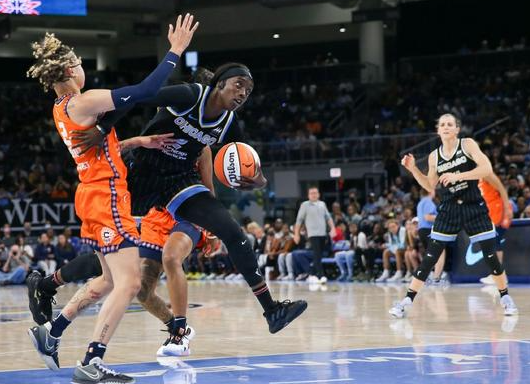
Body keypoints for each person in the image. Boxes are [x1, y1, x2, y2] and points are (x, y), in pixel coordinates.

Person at [25, 15, 198, 384]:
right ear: (71, 69)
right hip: (106, 196)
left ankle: (51, 333)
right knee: (131, 283)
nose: (84, 69)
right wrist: (175, 51)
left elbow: (98, 149)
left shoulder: (61, 108)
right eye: (82, 64)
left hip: (92, 192)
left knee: (106, 280)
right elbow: (146, 91)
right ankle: (92, 360)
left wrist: (137, 142)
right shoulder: (82, 102)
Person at [74, 62, 308, 334]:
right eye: (239, 84)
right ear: (220, 83)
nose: (244, 92)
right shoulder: (189, 95)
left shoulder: (230, 123)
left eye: (249, 89)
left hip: (180, 182)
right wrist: (103, 129)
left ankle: (272, 310)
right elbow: (138, 96)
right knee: (108, 257)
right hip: (142, 175)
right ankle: (48, 284)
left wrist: (256, 181)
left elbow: (242, 166)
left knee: (233, 232)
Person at [390, 113, 518, 319]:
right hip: (449, 208)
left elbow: (486, 168)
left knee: (490, 256)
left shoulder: (467, 145)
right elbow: (430, 185)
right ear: (438, 130)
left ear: (457, 129)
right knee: (429, 257)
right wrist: (413, 169)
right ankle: (406, 301)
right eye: (443, 124)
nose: (446, 127)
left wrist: (459, 176)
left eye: (450, 124)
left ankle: (505, 297)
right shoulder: (434, 156)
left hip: (473, 206)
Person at [294, 187, 336, 284]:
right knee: (317, 254)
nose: (313, 194)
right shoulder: (305, 205)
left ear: (318, 194)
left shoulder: (322, 204)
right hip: (313, 234)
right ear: (308, 195)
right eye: (311, 193)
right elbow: (299, 221)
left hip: (323, 234)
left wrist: (333, 228)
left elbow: (328, 217)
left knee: (318, 255)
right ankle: (320, 275)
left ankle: (312, 273)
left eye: (315, 193)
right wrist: (297, 234)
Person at [478, 173, 513, 285]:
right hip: (490, 212)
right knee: (493, 243)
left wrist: (507, 208)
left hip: (498, 209)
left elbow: (502, 190)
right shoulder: (478, 178)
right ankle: (498, 274)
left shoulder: (487, 174)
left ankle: (499, 275)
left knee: (495, 242)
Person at [416, 189, 446, 282]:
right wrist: (443, 217)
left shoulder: (420, 202)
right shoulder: (428, 201)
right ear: (430, 191)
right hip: (429, 229)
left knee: (431, 253)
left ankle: (426, 275)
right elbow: (428, 217)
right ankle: (436, 278)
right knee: (440, 252)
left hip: (421, 230)